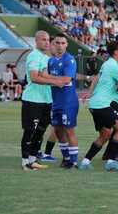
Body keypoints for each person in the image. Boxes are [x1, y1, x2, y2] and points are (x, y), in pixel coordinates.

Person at [79, 41, 118, 172]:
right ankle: (111, 161)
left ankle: (85, 162)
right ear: (116, 52)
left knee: (105, 134)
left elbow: (98, 79)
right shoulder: (114, 66)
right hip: (101, 104)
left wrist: (89, 93)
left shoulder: (107, 64)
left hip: (96, 104)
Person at [20, 31, 65, 171]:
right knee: (30, 131)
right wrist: (56, 82)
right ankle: (25, 161)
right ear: (36, 41)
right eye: (43, 39)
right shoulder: (33, 56)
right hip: (33, 100)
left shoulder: (44, 57)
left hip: (46, 100)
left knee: (40, 131)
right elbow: (34, 78)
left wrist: (56, 79)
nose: (46, 42)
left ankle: (33, 159)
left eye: (48, 40)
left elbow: (44, 75)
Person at [48, 33, 80, 168]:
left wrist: (47, 79)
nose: (60, 46)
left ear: (67, 45)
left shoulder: (69, 60)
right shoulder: (51, 61)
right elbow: (55, 80)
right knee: (58, 131)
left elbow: (67, 80)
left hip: (68, 102)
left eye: (62, 43)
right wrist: (52, 80)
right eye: (57, 43)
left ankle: (73, 161)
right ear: (53, 44)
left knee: (69, 131)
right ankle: (66, 158)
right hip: (56, 102)